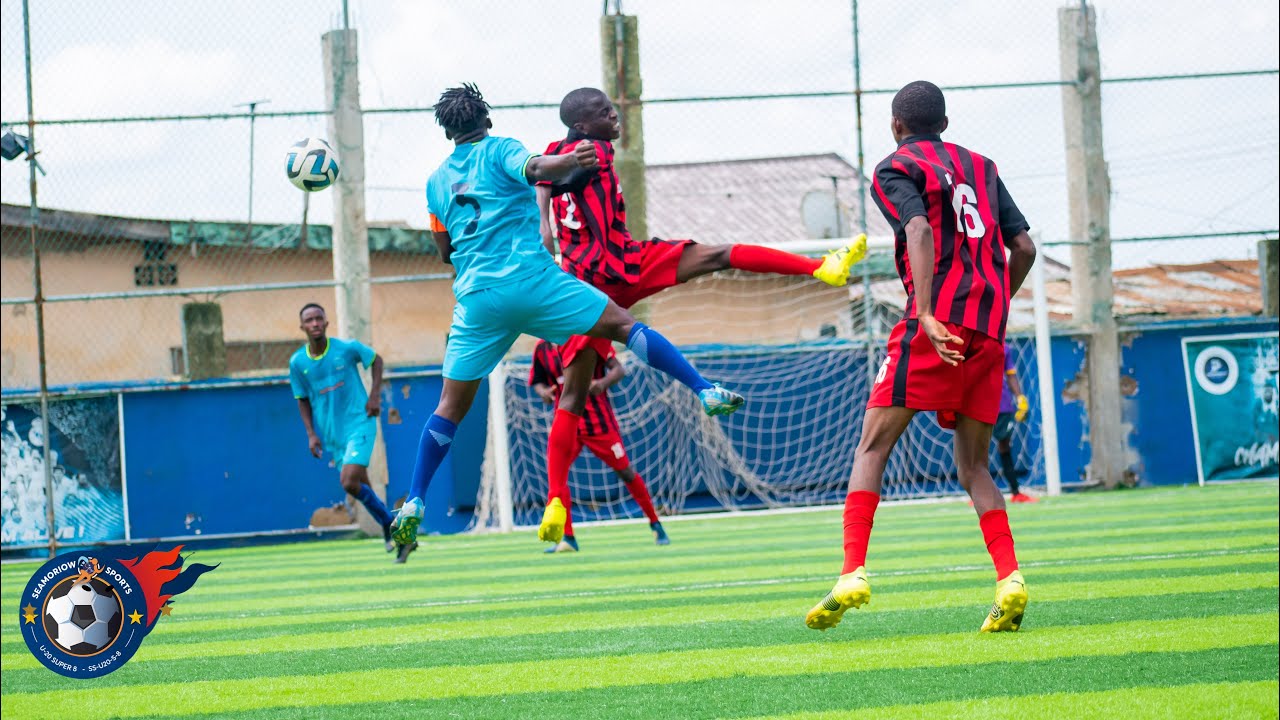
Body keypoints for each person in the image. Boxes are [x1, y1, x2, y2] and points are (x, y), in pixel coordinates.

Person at [390, 84, 743, 549]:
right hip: (532, 280)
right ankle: (705, 389)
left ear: (447, 132)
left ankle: (414, 498)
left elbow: (444, 252)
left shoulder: (436, 183)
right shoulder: (501, 149)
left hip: (476, 298)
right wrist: (575, 159)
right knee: (620, 323)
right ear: (487, 121)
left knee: (450, 407)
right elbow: (537, 168)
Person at [535, 87, 868, 539]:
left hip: (588, 282)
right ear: (581, 124)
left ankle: (556, 500)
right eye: (604, 112)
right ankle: (818, 270)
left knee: (572, 397)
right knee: (719, 256)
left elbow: (548, 177)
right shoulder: (594, 149)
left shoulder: (552, 155)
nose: (615, 116)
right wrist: (557, 197)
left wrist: (544, 224)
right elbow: (571, 173)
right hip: (615, 270)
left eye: (613, 109)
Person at [804, 80, 1038, 633]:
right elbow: (1023, 246)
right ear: (946, 124)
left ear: (896, 126)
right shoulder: (981, 165)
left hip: (932, 325)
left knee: (872, 446)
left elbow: (917, 226)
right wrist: (998, 303)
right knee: (975, 466)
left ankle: (852, 572)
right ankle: (1010, 580)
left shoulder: (894, 167)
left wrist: (928, 313)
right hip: (987, 326)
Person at [289, 303, 415, 563]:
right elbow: (301, 399)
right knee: (361, 484)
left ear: (326, 323)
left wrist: (374, 396)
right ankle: (398, 535)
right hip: (333, 435)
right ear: (302, 327)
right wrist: (311, 434)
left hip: (360, 422)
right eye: (309, 320)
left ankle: (393, 527)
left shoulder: (345, 349)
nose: (314, 324)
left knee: (349, 481)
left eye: (318, 319)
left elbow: (376, 359)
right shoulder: (298, 363)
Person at [529, 339, 669, 552]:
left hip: (599, 424)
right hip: (566, 427)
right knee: (558, 478)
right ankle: (567, 537)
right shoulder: (541, 348)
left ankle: (655, 523)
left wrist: (601, 384)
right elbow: (538, 380)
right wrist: (543, 392)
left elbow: (618, 369)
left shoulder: (584, 337)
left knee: (626, 472)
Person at [993, 346, 1036, 503]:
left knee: (1004, 445)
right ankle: (977, 493)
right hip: (978, 404)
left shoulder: (1005, 348)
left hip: (1003, 405)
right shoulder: (972, 344)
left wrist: (1020, 397)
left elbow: (1011, 375)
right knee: (977, 449)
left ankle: (1015, 492)